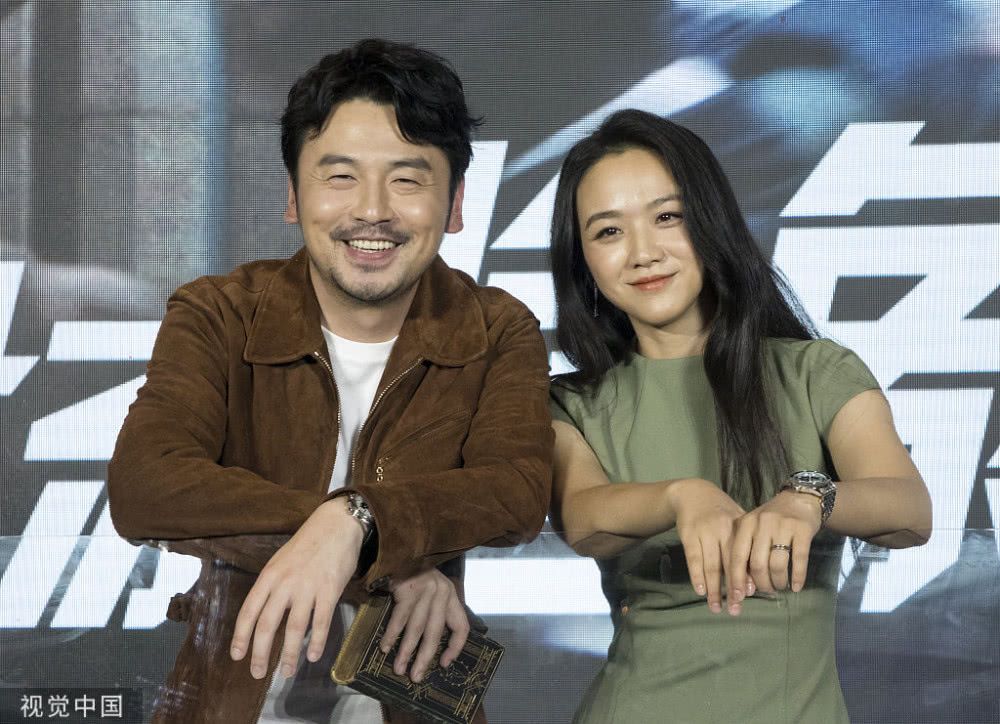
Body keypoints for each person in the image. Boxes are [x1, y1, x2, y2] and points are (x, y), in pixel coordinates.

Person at [107, 38, 553, 724]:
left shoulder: (494, 328)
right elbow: (146, 485)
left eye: (408, 179)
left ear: (455, 202)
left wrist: (358, 520)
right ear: (294, 194)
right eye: (340, 176)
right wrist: (374, 547)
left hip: (411, 701)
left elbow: (516, 491)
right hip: (227, 701)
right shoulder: (219, 312)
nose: (372, 210)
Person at [547, 109, 932, 723]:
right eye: (608, 231)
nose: (643, 253)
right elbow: (581, 517)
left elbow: (909, 509)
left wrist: (809, 498)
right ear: (583, 260)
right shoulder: (573, 402)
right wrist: (681, 497)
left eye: (667, 217)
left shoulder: (815, 371)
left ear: (711, 221)